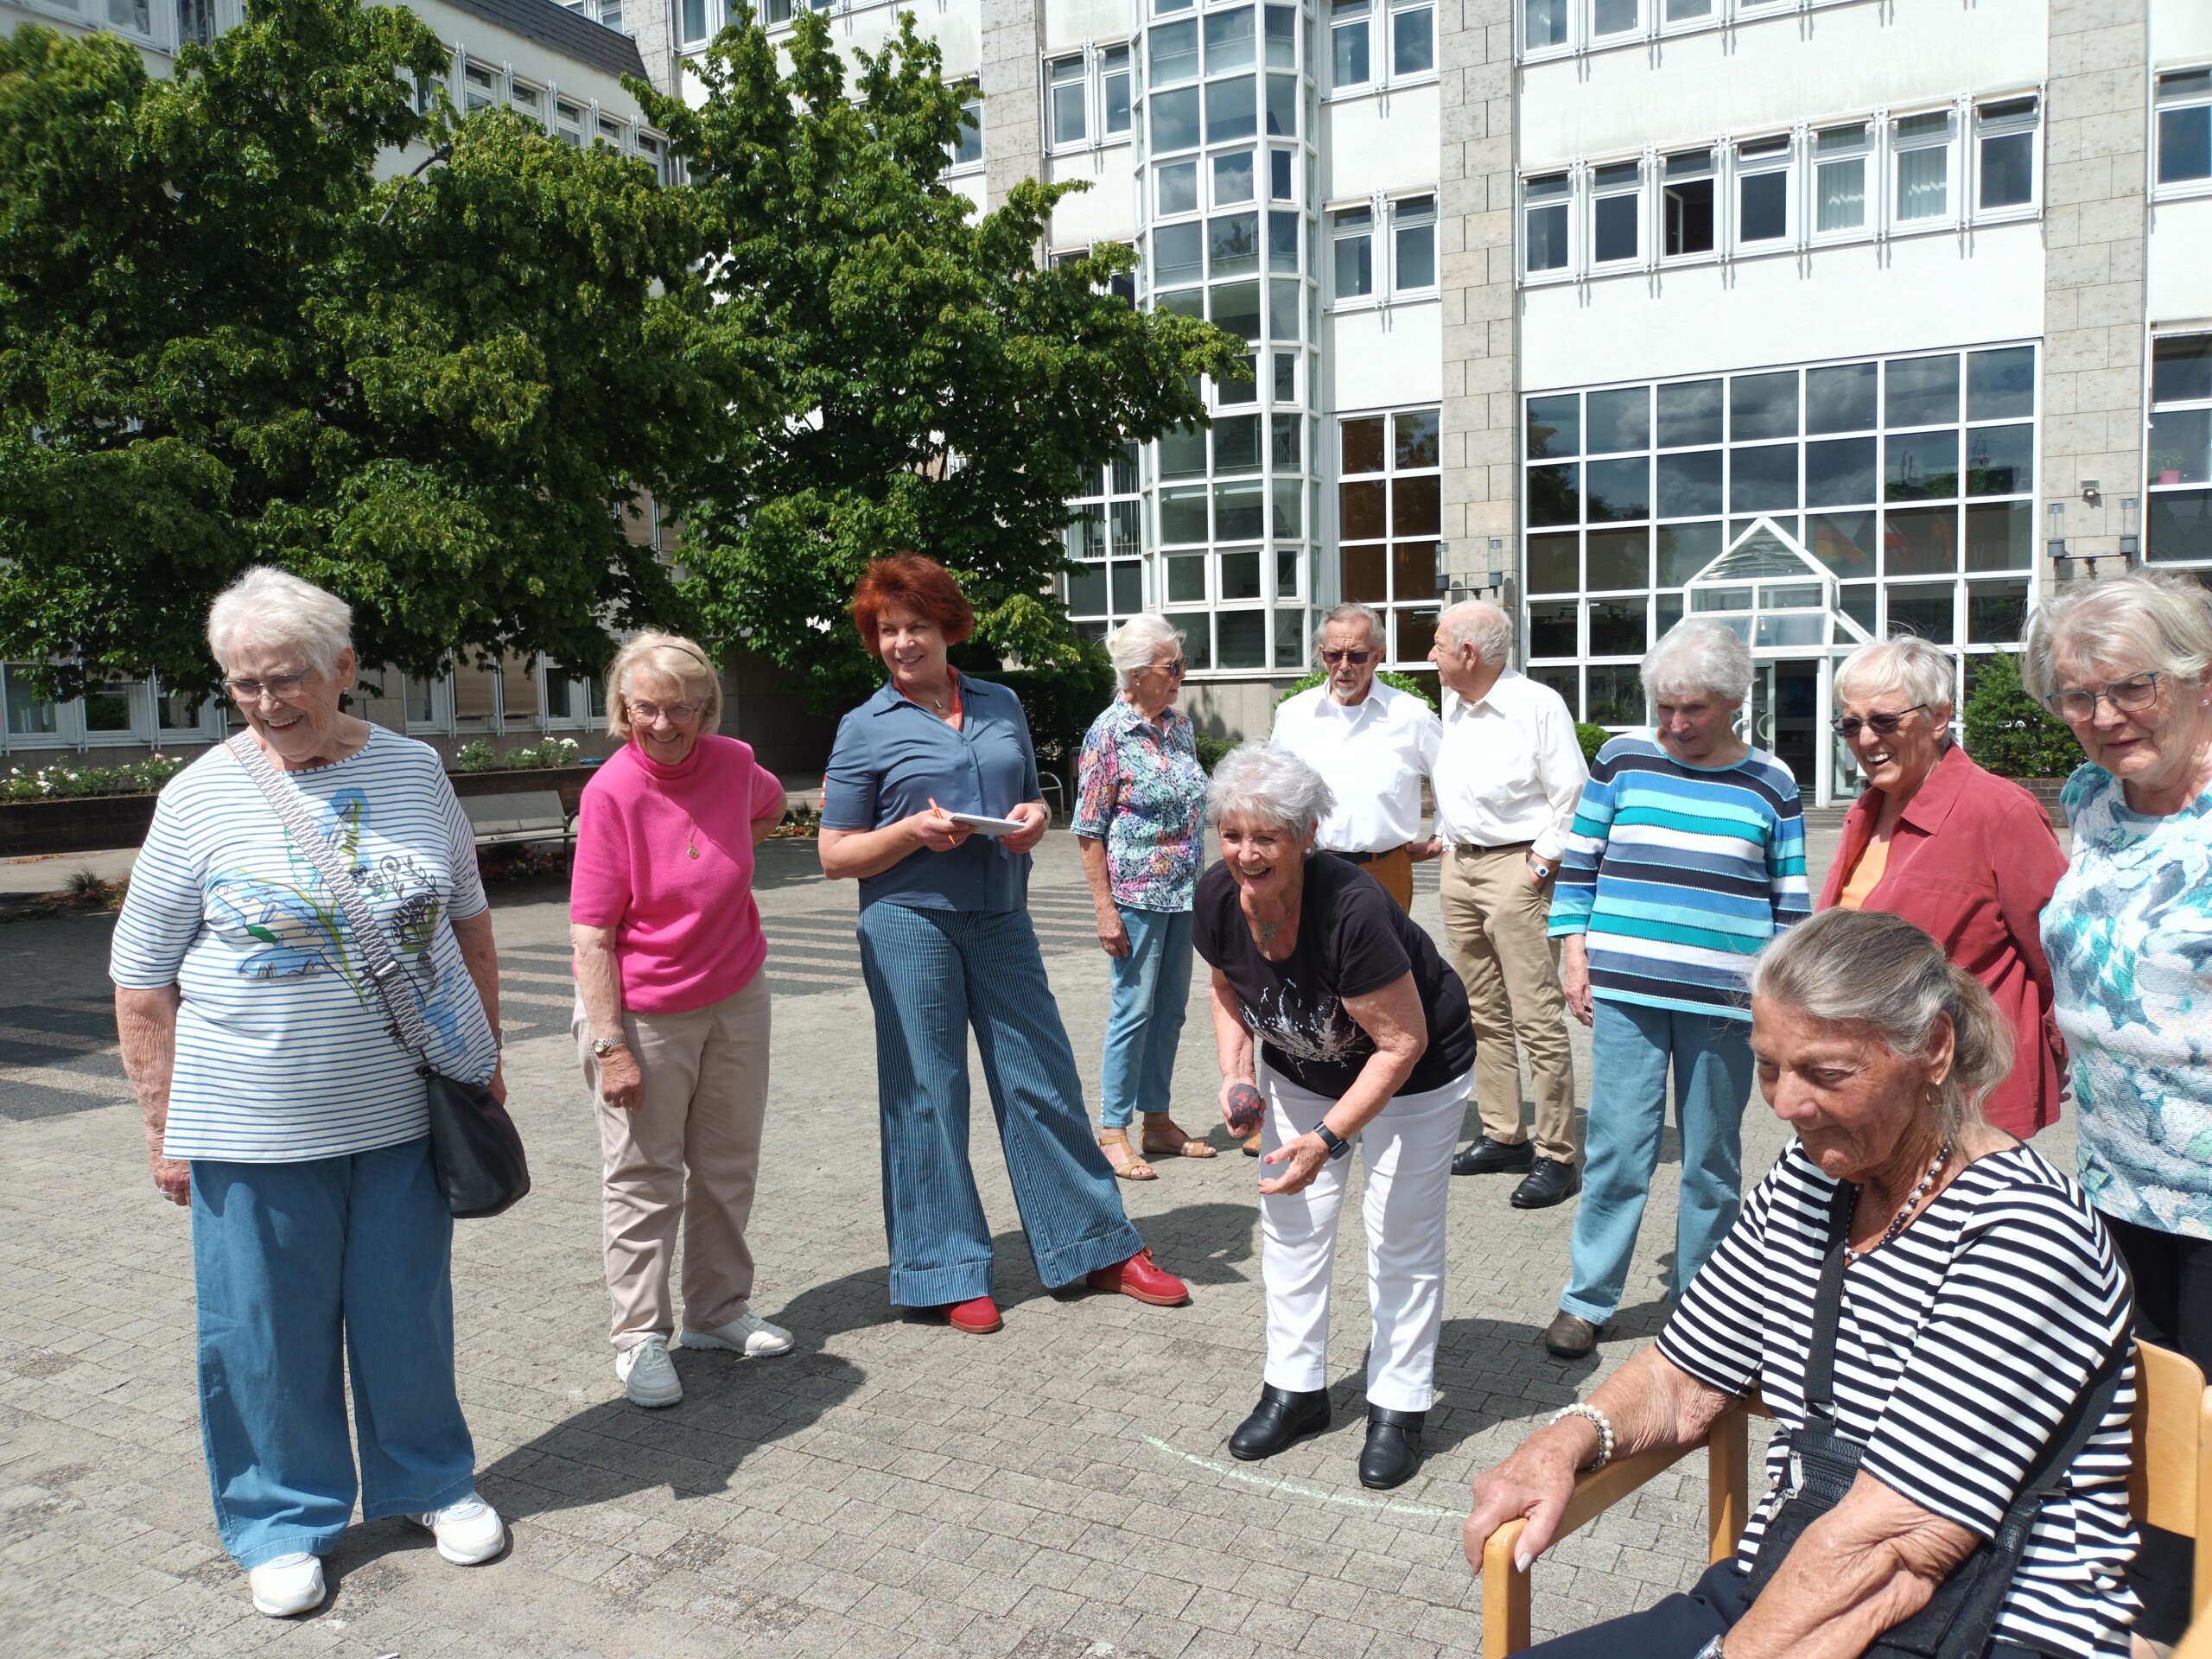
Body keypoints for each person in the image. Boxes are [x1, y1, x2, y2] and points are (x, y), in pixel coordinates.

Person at [1464, 908, 2138, 1659]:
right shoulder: (1814, 1178)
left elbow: (1897, 1540)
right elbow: (1687, 1374)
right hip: (1790, 1579)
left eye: (1826, 1073)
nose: (1785, 1104)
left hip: (1992, 1622)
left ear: (1935, 1049)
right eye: (1769, 1065)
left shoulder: (2024, 1233)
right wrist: (1568, 1438)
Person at [111, 568, 507, 1620]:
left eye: (283, 679)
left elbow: (467, 921)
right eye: (240, 685)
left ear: (342, 669)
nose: (263, 701)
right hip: (248, 1122)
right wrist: (164, 1126)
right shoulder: (197, 797)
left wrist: (486, 1055)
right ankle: (283, 1521)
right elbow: (140, 978)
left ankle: (428, 1480)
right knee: (262, 1332)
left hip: (399, 1111)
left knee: (404, 1312)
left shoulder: (417, 773)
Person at [819, 554, 1190, 1335]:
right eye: (888, 630)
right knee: (927, 1090)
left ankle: (1096, 1244)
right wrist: (910, 833)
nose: (902, 643)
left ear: (947, 627)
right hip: (906, 920)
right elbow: (834, 854)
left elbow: (1026, 799)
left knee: (1042, 1077)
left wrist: (1032, 822)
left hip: (1001, 915)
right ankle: (946, 1268)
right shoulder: (864, 727)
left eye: (917, 626)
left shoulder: (999, 703)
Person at [1195, 744, 1478, 1490]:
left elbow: (1402, 1042)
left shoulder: (1350, 908)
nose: (1246, 854)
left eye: (1267, 838)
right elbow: (1227, 988)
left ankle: (1398, 1405)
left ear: (1307, 835)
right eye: (1233, 835)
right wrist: (1234, 1076)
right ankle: (1296, 1391)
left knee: (1399, 1235)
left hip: (1417, 1073)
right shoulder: (1217, 896)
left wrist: (1327, 1138)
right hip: (1304, 1066)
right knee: (1292, 1225)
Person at [2030, 569, 2212, 1651]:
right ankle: (2148, 1610)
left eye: (2127, 689)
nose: (2100, 719)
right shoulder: (2089, 798)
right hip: (2112, 1171)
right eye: (2077, 696)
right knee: (2142, 1420)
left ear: (2199, 679)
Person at [1544, 619, 1808, 1360]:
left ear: (1733, 702)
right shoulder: (1622, 760)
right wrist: (1574, 954)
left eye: (1693, 709)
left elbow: (1791, 903)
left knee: (1712, 1161)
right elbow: (1581, 864)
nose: (1676, 724)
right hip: (1626, 988)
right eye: (1665, 706)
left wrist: (1782, 1000)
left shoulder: (1772, 782)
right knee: (1618, 1151)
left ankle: (1702, 1304)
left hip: (1725, 1003)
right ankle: (1587, 1298)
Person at [569, 632, 795, 1411]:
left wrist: (723, 852)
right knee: (643, 1175)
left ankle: (717, 1310)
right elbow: (591, 933)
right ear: (621, 709)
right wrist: (611, 1045)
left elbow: (768, 810)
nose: (663, 725)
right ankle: (638, 1337)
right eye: (645, 710)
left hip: (736, 990)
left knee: (728, 1163)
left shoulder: (734, 762)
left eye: (680, 709)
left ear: (707, 707)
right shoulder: (613, 791)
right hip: (643, 1008)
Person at [1817, 635, 2068, 1139]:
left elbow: (2058, 958)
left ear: (1939, 717)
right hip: (1872, 1088)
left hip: (1965, 1096)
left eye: (1885, 720)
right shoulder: (1864, 812)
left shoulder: (1999, 812)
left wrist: (2061, 1053)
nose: (1866, 740)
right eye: (1850, 724)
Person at [1422, 600, 1587, 1209]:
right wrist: (1444, 835)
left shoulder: (1537, 706)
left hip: (1518, 868)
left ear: (1469, 653)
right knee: (1480, 1012)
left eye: (1438, 645)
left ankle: (1557, 1154)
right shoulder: (1455, 705)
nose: (1430, 656)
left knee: (1536, 1016)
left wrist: (1538, 868)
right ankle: (1503, 1134)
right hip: (1459, 866)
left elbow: (1573, 796)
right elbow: (1456, 781)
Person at [1074, 613, 1214, 1180]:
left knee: (1173, 1011)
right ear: (1136, 674)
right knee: (1132, 1011)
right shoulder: (1108, 734)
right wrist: (1105, 910)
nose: (1181, 673)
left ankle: (1157, 1121)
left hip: (1184, 894)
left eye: (1181, 663)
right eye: (1171, 665)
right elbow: (1088, 829)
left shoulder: (1178, 726)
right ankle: (1112, 1129)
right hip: (1134, 896)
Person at [1268, 602, 1441, 914]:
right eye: (1334, 655)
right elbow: (1274, 791)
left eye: (1357, 655)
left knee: (1385, 961)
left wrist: (1440, 834)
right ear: (1322, 655)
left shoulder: (1412, 715)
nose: (1344, 666)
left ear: (1377, 656)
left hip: (1385, 870)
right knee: (1312, 962)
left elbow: (1451, 777)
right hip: (1309, 867)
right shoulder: (1294, 714)